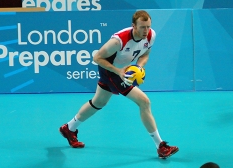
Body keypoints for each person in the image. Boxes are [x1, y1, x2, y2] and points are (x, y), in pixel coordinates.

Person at [59, 10, 179, 159]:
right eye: (142, 27)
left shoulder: (150, 35)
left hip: (121, 70)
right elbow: (97, 57)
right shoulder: (119, 41)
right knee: (144, 102)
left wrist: (140, 66)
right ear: (133, 26)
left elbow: (145, 54)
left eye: (148, 26)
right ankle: (160, 146)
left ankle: (69, 128)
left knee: (99, 101)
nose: (146, 30)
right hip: (111, 70)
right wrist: (118, 71)